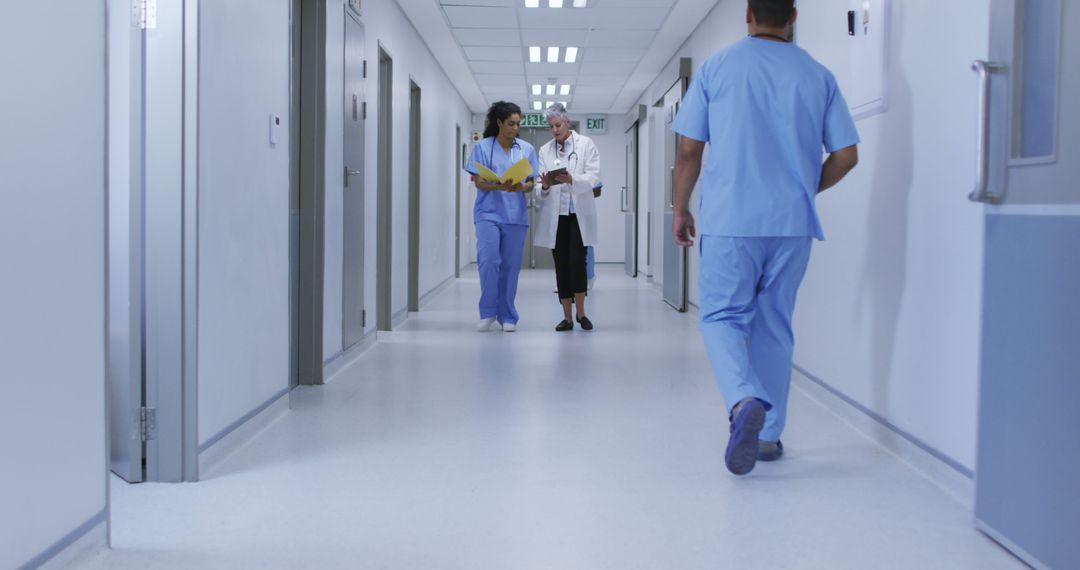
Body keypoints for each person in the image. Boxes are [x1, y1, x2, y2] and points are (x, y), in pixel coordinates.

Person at [671, 0, 860, 475]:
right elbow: (846, 155)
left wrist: (680, 207)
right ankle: (770, 436)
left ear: (748, 14)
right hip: (792, 225)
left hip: (731, 219)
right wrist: (802, 189)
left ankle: (742, 402)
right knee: (774, 323)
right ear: (793, 17)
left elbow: (690, 149)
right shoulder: (819, 75)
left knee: (721, 317)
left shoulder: (716, 69)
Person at [464, 101, 540, 333]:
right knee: (488, 261)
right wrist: (498, 185)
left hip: (515, 215)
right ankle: (487, 312)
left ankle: (507, 315)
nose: (515, 128)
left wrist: (521, 188)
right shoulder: (483, 147)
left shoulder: (526, 149)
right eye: (510, 124)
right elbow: (478, 181)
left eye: (518, 124)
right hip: (488, 213)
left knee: (510, 266)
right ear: (499, 122)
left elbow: (531, 181)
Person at [533, 103, 601, 331]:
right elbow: (538, 186)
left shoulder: (586, 145)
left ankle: (581, 313)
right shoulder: (544, 150)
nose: (554, 130)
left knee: (577, 263)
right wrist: (542, 187)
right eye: (551, 126)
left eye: (558, 125)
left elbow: (592, 177)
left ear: (567, 122)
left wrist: (572, 179)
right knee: (561, 264)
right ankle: (567, 317)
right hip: (557, 216)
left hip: (578, 214)